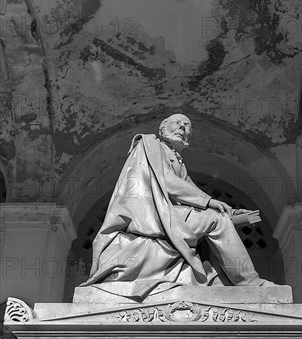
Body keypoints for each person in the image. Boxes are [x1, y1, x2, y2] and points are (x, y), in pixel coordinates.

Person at [81, 114, 276, 300]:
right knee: (215, 220)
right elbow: (167, 181)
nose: (182, 127)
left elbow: (191, 190)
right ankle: (250, 283)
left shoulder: (177, 160)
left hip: (166, 213)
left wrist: (231, 212)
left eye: (187, 125)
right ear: (162, 129)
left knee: (219, 218)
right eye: (177, 123)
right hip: (149, 214)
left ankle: (233, 280)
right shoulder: (150, 146)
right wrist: (212, 205)